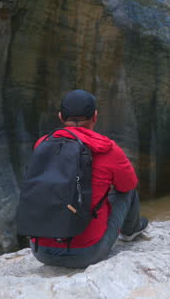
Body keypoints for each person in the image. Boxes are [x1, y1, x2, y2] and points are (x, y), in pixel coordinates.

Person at [29, 89, 148, 268]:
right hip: (87, 254)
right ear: (95, 116)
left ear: (61, 117)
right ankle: (131, 231)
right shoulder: (108, 149)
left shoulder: (42, 144)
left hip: (40, 251)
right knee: (128, 190)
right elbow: (128, 184)